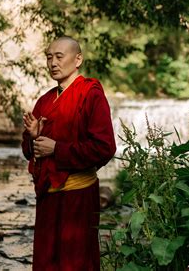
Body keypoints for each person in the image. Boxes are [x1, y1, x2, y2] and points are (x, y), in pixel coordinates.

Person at [21, 36, 116, 270]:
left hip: (79, 195)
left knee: (77, 263)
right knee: (46, 262)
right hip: (48, 196)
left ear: (78, 59)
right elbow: (28, 151)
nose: (53, 62)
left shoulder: (90, 94)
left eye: (59, 57)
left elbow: (105, 147)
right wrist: (33, 137)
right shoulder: (44, 101)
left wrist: (58, 149)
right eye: (49, 57)